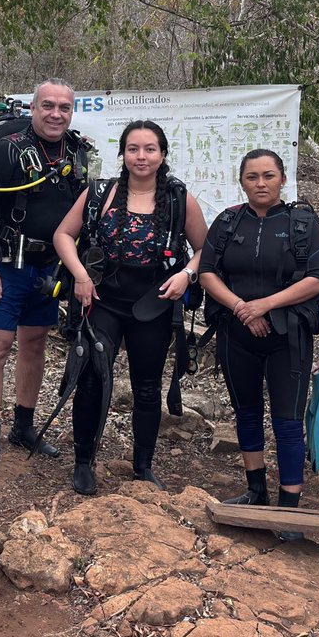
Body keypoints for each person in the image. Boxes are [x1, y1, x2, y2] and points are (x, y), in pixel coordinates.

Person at [54, 120, 207, 494]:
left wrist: (187, 273)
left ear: (162, 154)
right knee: (91, 378)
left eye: (150, 149)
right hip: (104, 299)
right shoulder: (100, 192)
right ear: (122, 153)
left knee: (147, 386)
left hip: (152, 304)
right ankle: (83, 462)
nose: (142, 156)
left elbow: (206, 249)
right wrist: (80, 275)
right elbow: (63, 234)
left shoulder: (178, 197)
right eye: (134, 149)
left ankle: (143, 466)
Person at [0, 80, 90, 480]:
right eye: (48, 106)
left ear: (72, 112)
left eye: (64, 108)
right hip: (6, 261)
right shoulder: (8, 149)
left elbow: (84, 212)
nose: (56, 114)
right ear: (32, 109)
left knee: (34, 343)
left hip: (49, 266)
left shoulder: (79, 151)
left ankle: (23, 426)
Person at [198, 150, 319, 519]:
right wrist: (243, 307)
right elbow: (207, 272)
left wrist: (265, 305)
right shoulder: (227, 223)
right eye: (252, 177)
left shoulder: (303, 223)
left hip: (288, 337)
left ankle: (289, 508)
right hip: (235, 334)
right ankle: (256, 490)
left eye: (268, 176)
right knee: (247, 413)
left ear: (282, 179)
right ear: (241, 181)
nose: (261, 183)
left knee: (287, 421)